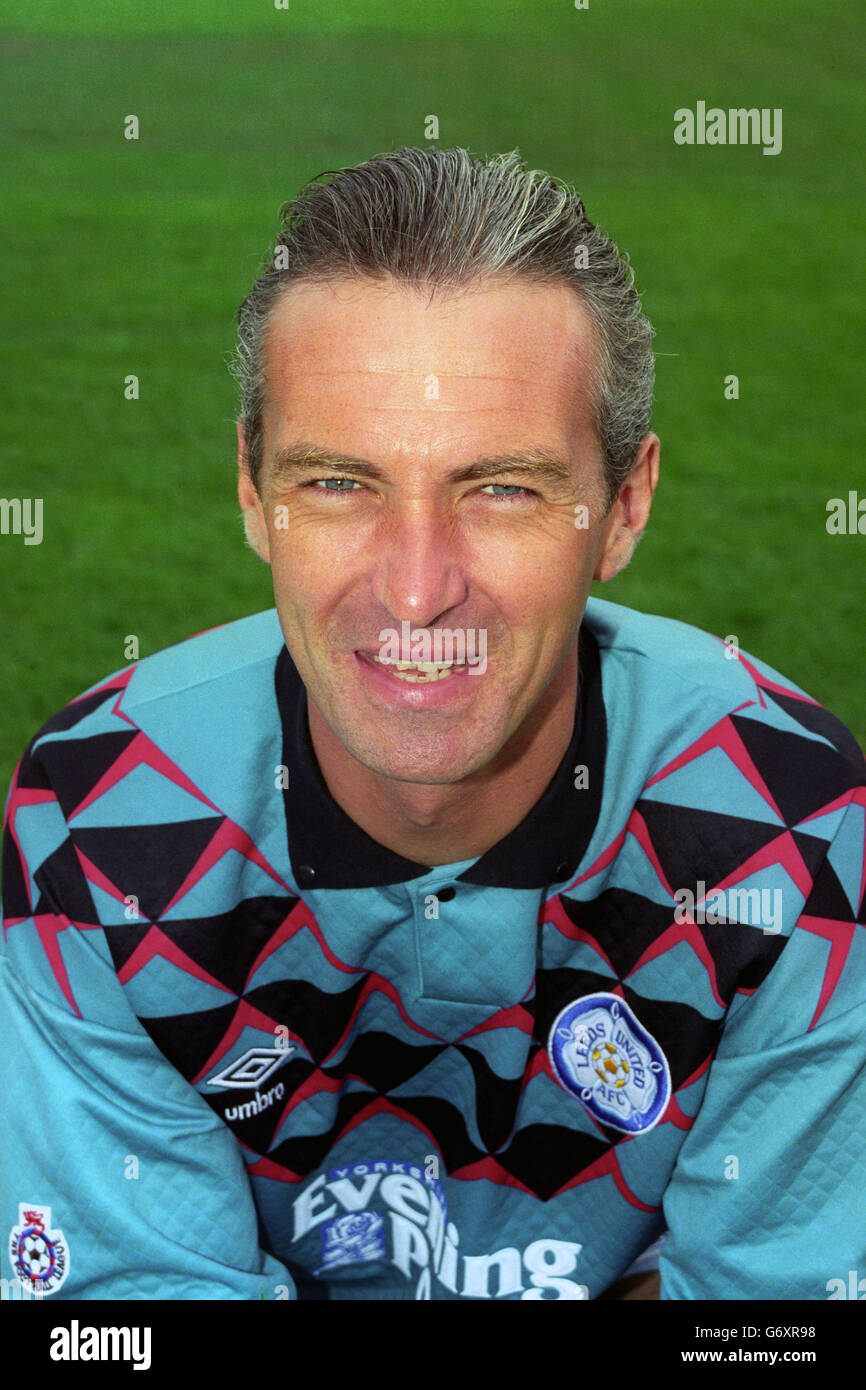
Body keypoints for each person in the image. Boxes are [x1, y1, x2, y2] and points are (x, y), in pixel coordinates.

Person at [2, 147, 863, 1302]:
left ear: (622, 508)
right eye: (338, 484)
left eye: (500, 487)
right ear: (253, 494)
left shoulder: (790, 825)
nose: (415, 589)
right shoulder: (100, 816)